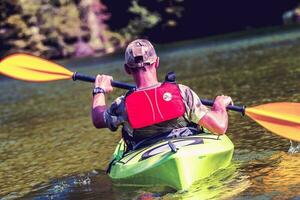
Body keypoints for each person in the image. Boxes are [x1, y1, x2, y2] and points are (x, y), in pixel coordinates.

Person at [92, 39, 233, 149]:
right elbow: (219, 127)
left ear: (127, 69)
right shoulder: (182, 92)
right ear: (157, 62)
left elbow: (98, 119)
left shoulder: (123, 105)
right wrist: (219, 106)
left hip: (145, 153)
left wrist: (99, 89)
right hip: (188, 147)